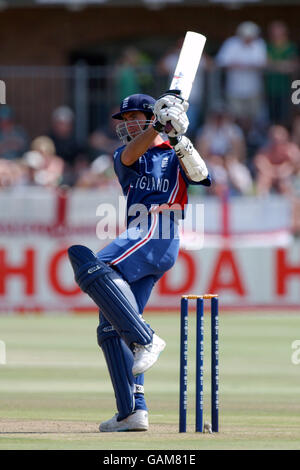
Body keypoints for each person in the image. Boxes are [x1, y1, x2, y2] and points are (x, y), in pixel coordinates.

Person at [67, 93, 211, 432]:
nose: (128, 124)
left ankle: (146, 338)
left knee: (91, 263)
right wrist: (160, 125)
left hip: (160, 228)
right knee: (109, 327)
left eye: (135, 117)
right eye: (124, 119)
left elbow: (202, 175)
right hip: (140, 233)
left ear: (151, 117)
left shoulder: (174, 151)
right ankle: (132, 411)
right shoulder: (123, 154)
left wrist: (177, 136)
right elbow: (132, 154)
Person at [216, 22, 267, 129]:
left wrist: (243, 65)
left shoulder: (259, 44)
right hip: (234, 88)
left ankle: (251, 137)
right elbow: (221, 62)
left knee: (253, 116)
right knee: (235, 115)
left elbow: (262, 63)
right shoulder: (231, 43)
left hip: (254, 88)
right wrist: (241, 65)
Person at [266, 21, 298, 125]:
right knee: (271, 116)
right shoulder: (268, 47)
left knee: (286, 115)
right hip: (270, 87)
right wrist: (282, 65)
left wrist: (274, 65)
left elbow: (293, 65)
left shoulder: (291, 47)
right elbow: (266, 64)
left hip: (287, 87)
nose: (276, 34)